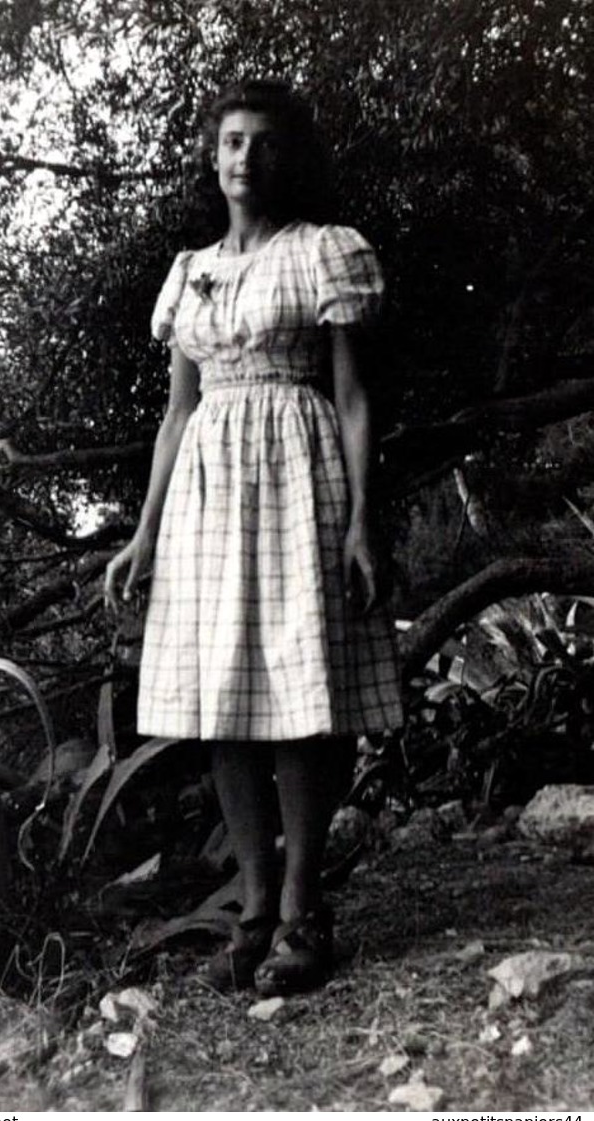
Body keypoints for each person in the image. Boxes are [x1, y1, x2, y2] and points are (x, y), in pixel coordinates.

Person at [105, 78, 403, 994]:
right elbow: (175, 414)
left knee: (298, 692)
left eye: (265, 143)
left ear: (288, 157)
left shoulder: (323, 252)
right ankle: (256, 903)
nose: (246, 158)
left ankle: (306, 910)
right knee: (223, 700)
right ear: (212, 154)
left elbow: (353, 399)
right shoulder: (189, 269)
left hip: (298, 476)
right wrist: (143, 535)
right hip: (206, 493)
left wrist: (361, 518)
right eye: (232, 141)